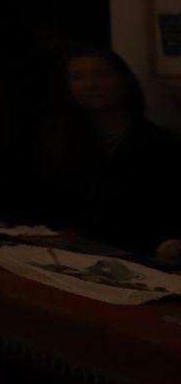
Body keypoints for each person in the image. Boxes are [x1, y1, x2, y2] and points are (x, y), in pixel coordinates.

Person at [36, 47, 181, 261]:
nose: (90, 85)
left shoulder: (158, 144)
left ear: (123, 81)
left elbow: (157, 216)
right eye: (77, 77)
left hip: (139, 258)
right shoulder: (60, 141)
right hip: (66, 257)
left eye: (103, 75)